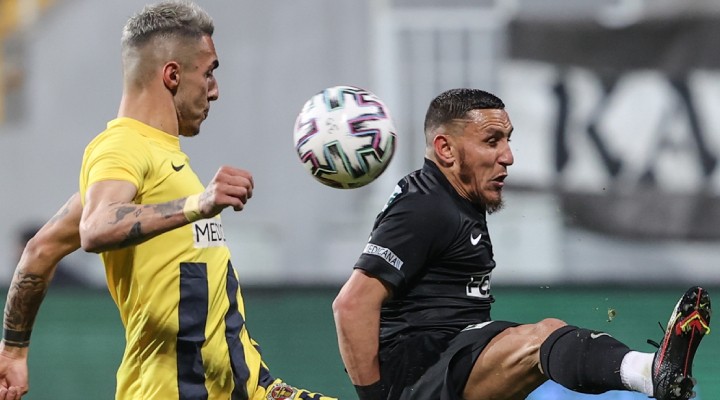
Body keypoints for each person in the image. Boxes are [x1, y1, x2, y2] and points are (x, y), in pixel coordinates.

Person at [0, 2, 336, 399]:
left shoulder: (155, 160)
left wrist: (13, 351)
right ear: (172, 75)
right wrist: (198, 204)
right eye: (208, 72)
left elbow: (39, 250)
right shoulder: (122, 146)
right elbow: (97, 226)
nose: (215, 90)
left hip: (242, 387)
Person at [332, 88, 712, 400]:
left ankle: (649, 372)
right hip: (424, 376)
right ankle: (649, 372)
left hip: (449, 363)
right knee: (539, 339)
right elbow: (351, 305)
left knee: (543, 337)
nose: (508, 157)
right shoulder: (424, 207)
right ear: (445, 150)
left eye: (508, 140)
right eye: (491, 141)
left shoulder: (452, 202)